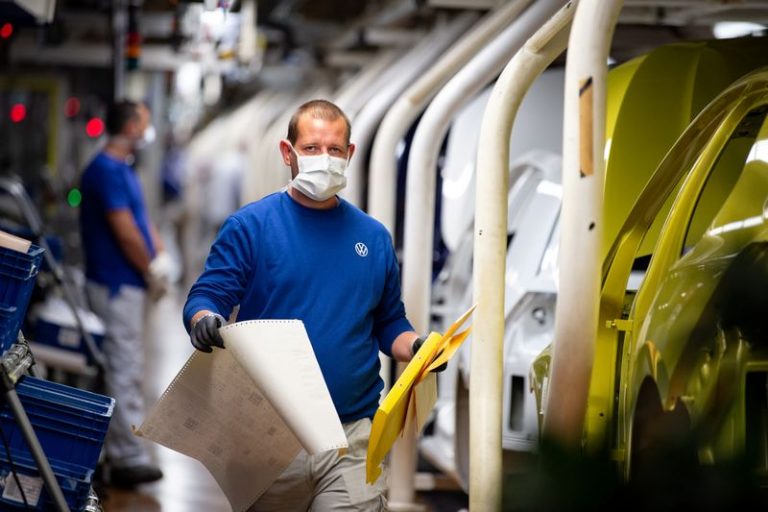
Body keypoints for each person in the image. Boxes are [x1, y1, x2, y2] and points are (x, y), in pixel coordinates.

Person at [184, 99, 434, 511]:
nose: (325, 159)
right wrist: (204, 319)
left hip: (350, 434)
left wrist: (417, 347)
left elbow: (389, 321)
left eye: (335, 150)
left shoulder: (372, 238)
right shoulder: (251, 227)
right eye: (313, 148)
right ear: (288, 153)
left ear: (350, 154)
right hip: (269, 434)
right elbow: (208, 295)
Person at [80, 99, 171, 487]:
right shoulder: (105, 171)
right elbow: (125, 229)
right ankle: (126, 457)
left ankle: (117, 447)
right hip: (116, 285)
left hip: (127, 283)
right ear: (132, 127)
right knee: (124, 368)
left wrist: (161, 252)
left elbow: (141, 219)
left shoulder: (123, 170)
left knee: (126, 365)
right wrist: (148, 268)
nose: (147, 131)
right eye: (145, 123)